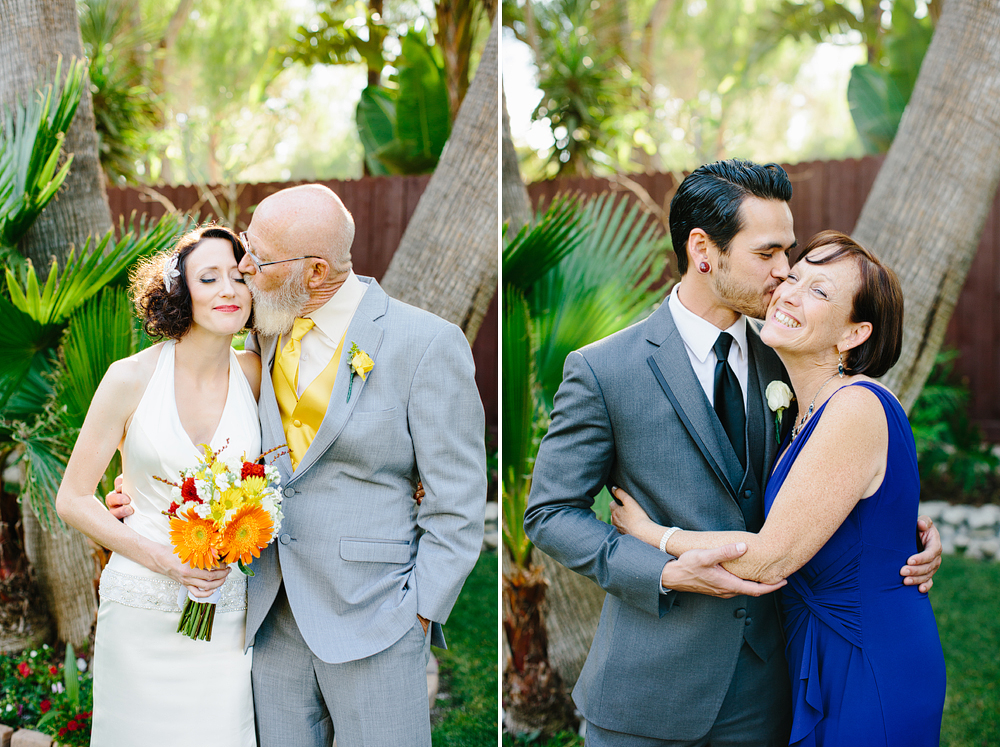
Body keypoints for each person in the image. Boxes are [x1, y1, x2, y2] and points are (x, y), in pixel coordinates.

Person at [522, 159, 943, 747]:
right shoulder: (603, 369)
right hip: (650, 688)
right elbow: (548, 514)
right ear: (703, 249)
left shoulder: (792, 353)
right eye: (767, 255)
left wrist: (903, 533)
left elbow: (841, 482)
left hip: (773, 688)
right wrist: (661, 568)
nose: (784, 274)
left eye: (789, 255)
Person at [108, 184, 487, 747]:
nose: (242, 265)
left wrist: (419, 618)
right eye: (244, 245)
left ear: (313, 271)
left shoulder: (425, 344)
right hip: (269, 620)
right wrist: (137, 488)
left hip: (378, 620)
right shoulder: (261, 331)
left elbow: (457, 505)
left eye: (257, 257)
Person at [610, 230, 946, 745]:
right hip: (812, 648)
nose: (788, 291)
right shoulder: (800, 405)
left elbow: (768, 558)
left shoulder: (855, 406)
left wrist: (652, 533)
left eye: (819, 291)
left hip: (868, 655)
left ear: (854, 335)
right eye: (794, 276)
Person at [56, 226, 261, 746]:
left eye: (239, 277)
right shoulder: (128, 378)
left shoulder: (257, 376)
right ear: (178, 293)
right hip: (140, 606)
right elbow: (73, 499)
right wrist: (162, 558)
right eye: (209, 277)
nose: (228, 290)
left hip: (223, 611)